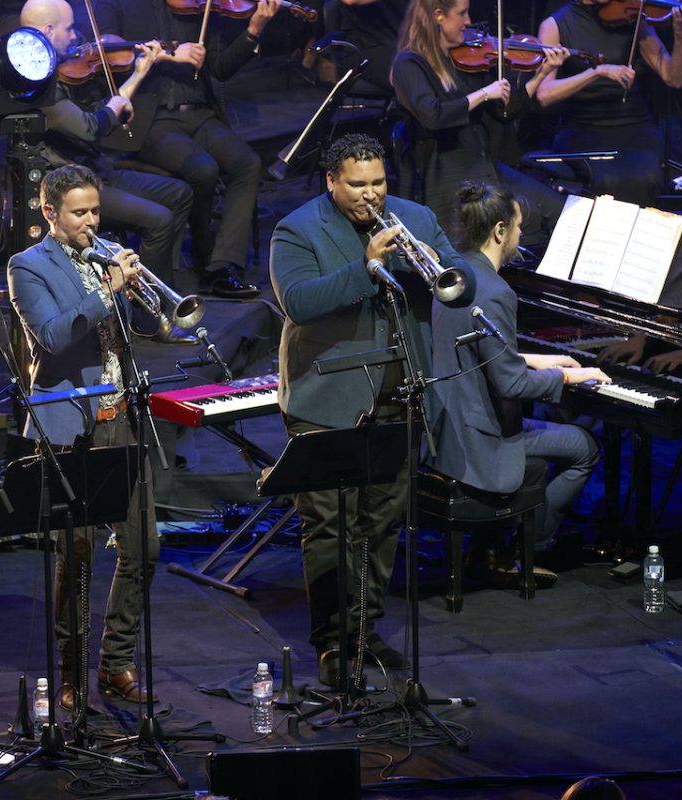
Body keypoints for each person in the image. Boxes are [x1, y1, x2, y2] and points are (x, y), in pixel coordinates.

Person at [269, 133, 463, 686]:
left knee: (380, 522)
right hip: (326, 398)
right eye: (357, 185)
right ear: (331, 182)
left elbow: (455, 280)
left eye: (378, 183)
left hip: (398, 397)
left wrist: (447, 272)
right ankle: (331, 642)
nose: (371, 195)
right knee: (328, 524)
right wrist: (368, 266)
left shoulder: (416, 218)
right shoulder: (298, 229)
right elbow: (299, 303)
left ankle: (364, 629)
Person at [7, 164, 159, 710]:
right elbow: (51, 337)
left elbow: (145, 329)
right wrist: (105, 291)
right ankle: (69, 673)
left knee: (144, 545)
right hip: (70, 424)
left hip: (121, 415)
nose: (91, 221)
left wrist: (144, 299)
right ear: (50, 212)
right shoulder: (27, 266)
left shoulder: (105, 255)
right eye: (79, 212)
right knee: (77, 554)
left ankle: (115, 662)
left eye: (95, 210)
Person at [426, 182, 608, 576]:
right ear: (499, 231)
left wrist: (537, 359)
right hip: (477, 439)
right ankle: (524, 548)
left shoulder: (455, 274)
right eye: (520, 226)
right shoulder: (496, 292)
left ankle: (498, 541)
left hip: (448, 424)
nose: (522, 235)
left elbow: (472, 351)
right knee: (583, 446)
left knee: (562, 426)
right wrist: (572, 377)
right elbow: (511, 386)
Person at [19, 0, 196, 343]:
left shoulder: (63, 69)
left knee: (180, 193)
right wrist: (116, 104)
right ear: (48, 31)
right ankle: (150, 318)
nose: (75, 37)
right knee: (159, 218)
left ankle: (156, 290)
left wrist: (138, 75)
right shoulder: (37, 80)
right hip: (73, 184)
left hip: (96, 171)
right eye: (68, 29)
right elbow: (90, 126)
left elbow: (109, 115)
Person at [96, 0, 285, 299]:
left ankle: (221, 266)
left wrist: (254, 28)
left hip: (200, 115)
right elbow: (108, 48)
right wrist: (169, 53)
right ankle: (204, 255)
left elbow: (221, 67)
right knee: (203, 168)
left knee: (246, 163)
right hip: (151, 120)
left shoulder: (199, 7)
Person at [390, 0, 569, 233]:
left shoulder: (466, 59)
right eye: (462, 13)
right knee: (528, 219)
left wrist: (541, 74)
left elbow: (503, 112)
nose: (469, 22)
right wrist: (484, 93)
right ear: (438, 17)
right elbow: (433, 116)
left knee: (562, 212)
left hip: (484, 166)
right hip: (449, 177)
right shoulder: (409, 63)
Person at [535, 0, 682, 205]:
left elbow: (675, 78)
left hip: (635, 123)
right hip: (582, 127)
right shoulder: (554, 25)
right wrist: (597, 72)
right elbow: (544, 94)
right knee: (606, 181)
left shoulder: (633, 18)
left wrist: (681, 34)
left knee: (648, 177)